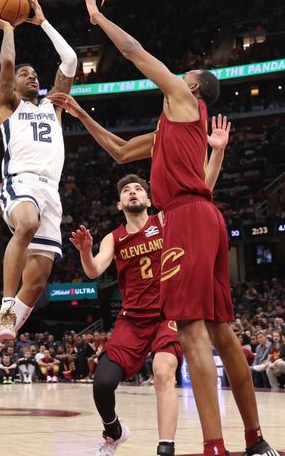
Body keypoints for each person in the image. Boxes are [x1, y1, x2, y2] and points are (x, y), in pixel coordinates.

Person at [49, 0, 275, 456]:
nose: (177, 73)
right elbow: (118, 151)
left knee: (192, 331)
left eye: (183, 72)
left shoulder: (181, 97)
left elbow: (134, 52)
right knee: (219, 331)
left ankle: (215, 446)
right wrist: (79, 112)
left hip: (186, 218)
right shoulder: (170, 127)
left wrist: (97, 18)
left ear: (191, 85)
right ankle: (254, 438)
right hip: (205, 215)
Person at [0, 0, 77, 392]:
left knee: (40, 280)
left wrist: (42, 21)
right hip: (20, 182)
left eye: (34, 75)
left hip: (52, 192)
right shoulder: (8, 103)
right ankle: (6, 308)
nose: (33, 77)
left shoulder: (54, 106)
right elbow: (7, 65)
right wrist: (10, 28)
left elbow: (70, 62)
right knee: (24, 223)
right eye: (28, 74)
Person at [70, 171, 226, 456]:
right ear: (119, 205)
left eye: (138, 189)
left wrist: (216, 152)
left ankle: (165, 448)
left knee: (163, 371)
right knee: (102, 384)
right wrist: (84, 251)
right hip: (132, 319)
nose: (132, 192)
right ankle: (114, 432)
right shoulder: (113, 238)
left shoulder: (165, 220)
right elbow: (93, 270)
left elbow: (200, 195)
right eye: (126, 190)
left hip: (169, 313)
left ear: (149, 199)